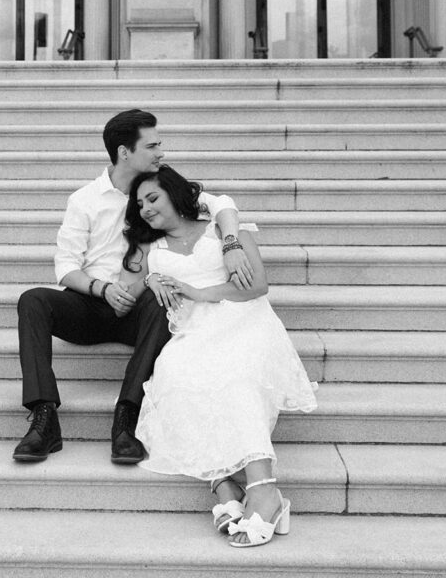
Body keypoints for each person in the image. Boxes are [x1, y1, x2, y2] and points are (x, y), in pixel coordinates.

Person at [14, 109, 253, 466]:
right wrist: (101, 289)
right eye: (152, 145)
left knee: (162, 301)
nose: (161, 152)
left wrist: (232, 244)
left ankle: (127, 418)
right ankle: (44, 417)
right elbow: (65, 267)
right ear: (125, 152)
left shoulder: (161, 189)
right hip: (91, 302)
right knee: (32, 300)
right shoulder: (85, 200)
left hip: (142, 305)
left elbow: (223, 204)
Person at [120, 165, 318, 548]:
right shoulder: (150, 250)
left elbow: (257, 286)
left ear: (175, 194)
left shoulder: (224, 229)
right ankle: (225, 486)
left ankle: (264, 489)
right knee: (176, 376)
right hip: (193, 333)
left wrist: (197, 292)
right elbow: (124, 293)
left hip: (245, 320)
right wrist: (148, 280)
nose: (145, 208)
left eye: (152, 198)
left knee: (234, 375)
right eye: (139, 203)